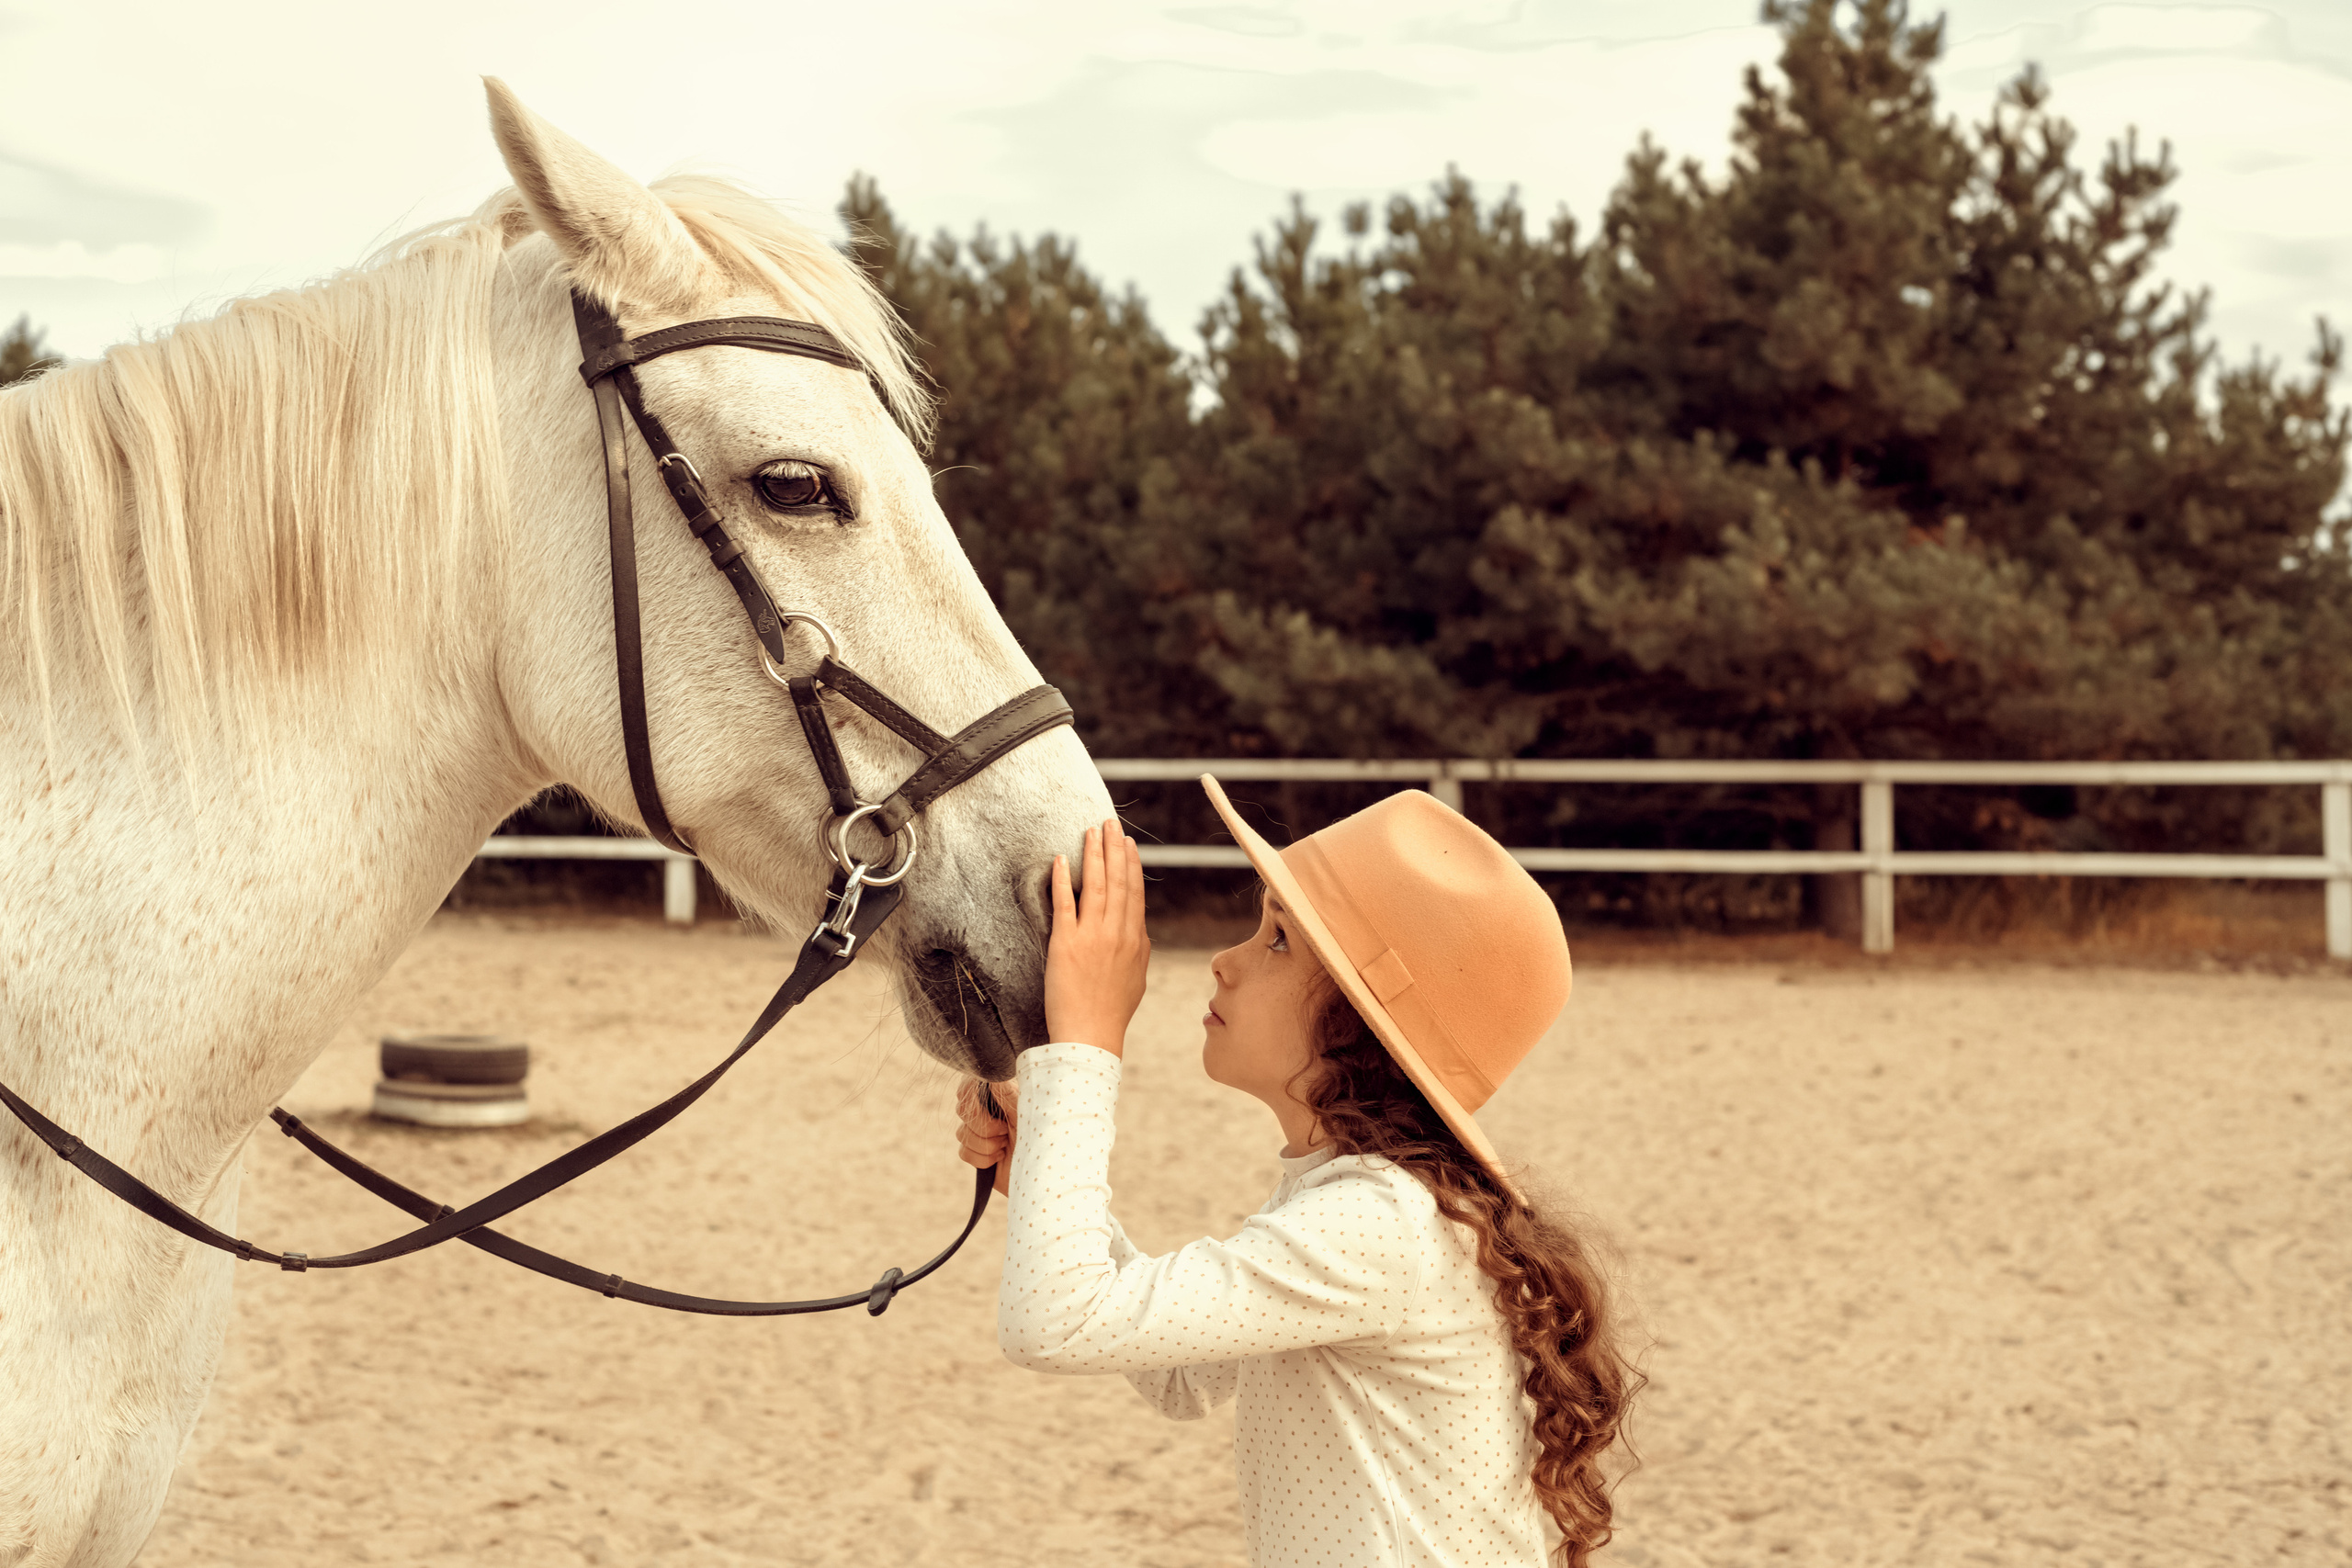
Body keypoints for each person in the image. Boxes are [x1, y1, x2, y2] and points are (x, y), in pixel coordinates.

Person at [954, 779, 1642, 1567]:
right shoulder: (1361, 1200)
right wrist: (1040, 1162)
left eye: (1277, 939)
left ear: (1361, 1022)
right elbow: (1182, 1375)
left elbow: (1054, 1321)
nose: (1224, 960)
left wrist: (1085, 1043)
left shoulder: (1380, 1223)